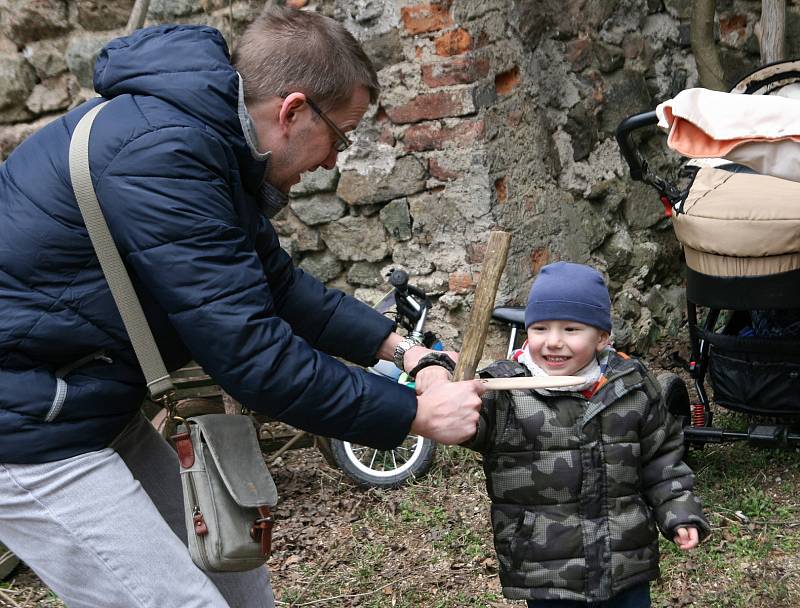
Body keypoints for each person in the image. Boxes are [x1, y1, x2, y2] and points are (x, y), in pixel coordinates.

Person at [0, 7, 483, 608]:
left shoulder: (204, 143)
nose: (334, 160)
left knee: (237, 576)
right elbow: (254, 358)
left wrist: (404, 350)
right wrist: (415, 414)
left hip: (86, 402)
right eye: (341, 135)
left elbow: (276, 286)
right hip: (23, 422)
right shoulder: (162, 154)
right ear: (293, 110)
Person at [460, 262, 710, 607]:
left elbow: (661, 457)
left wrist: (679, 511)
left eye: (571, 329)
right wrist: (448, 390)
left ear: (602, 337)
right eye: (540, 328)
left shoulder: (630, 386)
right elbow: (464, 425)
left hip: (624, 562)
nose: (553, 342)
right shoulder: (505, 393)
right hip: (547, 568)